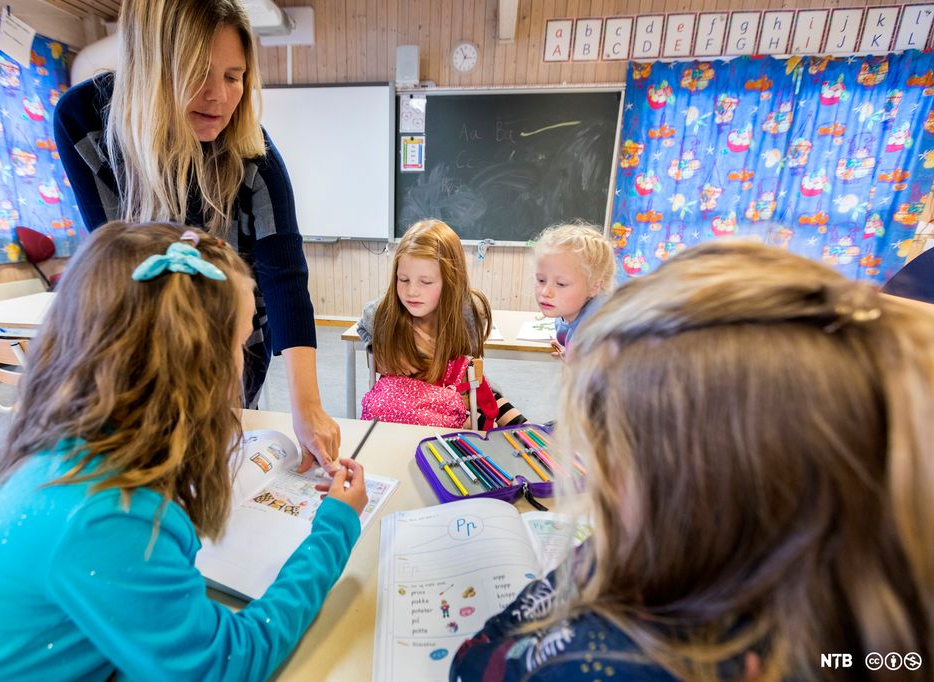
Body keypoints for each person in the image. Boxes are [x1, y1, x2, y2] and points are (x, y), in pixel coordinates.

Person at [451, 240, 934, 681]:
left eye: (608, 448)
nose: (597, 472)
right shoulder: (836, 601)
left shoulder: (608, 661)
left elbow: (473, 665)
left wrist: (603, 556)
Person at [0, 223, 368, 681]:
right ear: (197, 366)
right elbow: (224, 663)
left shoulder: (78, 449)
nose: (243, 362)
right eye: (239, 344)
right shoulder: (108, 514)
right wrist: (336, 526)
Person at [52, 0, 338, 471]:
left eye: (233, 76)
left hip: (233, 335)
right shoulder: (85, 119)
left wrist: (307, 406)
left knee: (217, 454)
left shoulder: (254, 154)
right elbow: (116, 261)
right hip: (143, 328)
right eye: (198, 73)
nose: (219, 97)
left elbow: (285, 275)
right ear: (154, 67)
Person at [357, 219, 525, 429]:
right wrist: (381, 348)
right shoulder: (383, 311)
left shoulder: (468, 312)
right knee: (477, 415)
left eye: (425, 282)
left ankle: (526, 428)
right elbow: (362, 326)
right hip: (409, 406)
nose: (411, 291)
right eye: (403, 279)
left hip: (450, 395)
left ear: (451, 281)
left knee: (488, 403)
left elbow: (469, 373)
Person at [533, 221, 617, 356]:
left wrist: (575, 357)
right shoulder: (568, 310)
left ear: (594, 286)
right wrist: (569, 350)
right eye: (541, 280)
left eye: (561, 284)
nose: (545, 292)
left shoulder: (597, 334)